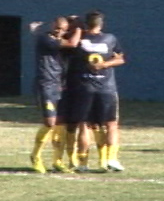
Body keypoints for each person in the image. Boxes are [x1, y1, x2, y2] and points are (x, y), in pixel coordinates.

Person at [65, 10, 125, 172]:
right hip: (106, 88)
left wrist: (75, 26)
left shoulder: (79, 40)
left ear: (86, 23)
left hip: (84, 87)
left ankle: (83, 163)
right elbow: (120, 58)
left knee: (84, 126)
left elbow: (67, 46)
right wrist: (104, 65)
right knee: (111, 125)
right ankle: (112, 158)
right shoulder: (110, 38)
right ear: (101, 23)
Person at [30, 16, 81, 173]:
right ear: (53, 25)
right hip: (45, 85)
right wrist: (78, 28)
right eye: (57, 28)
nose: (59, 31)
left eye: (63, 29)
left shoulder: (61, 39)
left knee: (61, 125)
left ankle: (57, 160)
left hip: (59, 86)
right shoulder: (45, 39)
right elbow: (73, 43)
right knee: (50, 123)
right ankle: (35, 156)